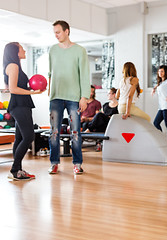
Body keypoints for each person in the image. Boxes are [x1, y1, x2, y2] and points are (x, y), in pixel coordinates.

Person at [48, 20, 90, 175]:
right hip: (55, 97)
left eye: (58, 32)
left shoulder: (79, 50)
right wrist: (48, 90)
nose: (56, 35)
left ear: (67, 31)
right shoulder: (52, 50)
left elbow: (84, 75)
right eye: (54, 33)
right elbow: (50, 73)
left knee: (75, 133)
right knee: (54, 132)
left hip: (74, 97)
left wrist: (84, 96)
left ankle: (77, 164)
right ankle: (54, 163)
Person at [3, 42, 44, 180]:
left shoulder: (13, 66)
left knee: (20, 138)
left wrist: (31, 90)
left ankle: (18, 170)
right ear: (15, 51)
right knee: (29, 137)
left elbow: (10, 87)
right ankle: (15, 170)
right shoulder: (13, 66)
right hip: (19, 105)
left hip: (21, 105)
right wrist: (34, 93)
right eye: (21, 48)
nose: (24, 50)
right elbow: (13, 89)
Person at [84, 87, 119, 151]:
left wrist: (108, 117)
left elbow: (117, 118)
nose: (107, 95)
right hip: (103, 123)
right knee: (99, 120)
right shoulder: (105, 105)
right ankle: (98, 143)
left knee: (99, 115)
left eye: (109, 93)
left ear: (114, 94)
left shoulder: (118, 106)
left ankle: (89, 129)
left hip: (110, 124)